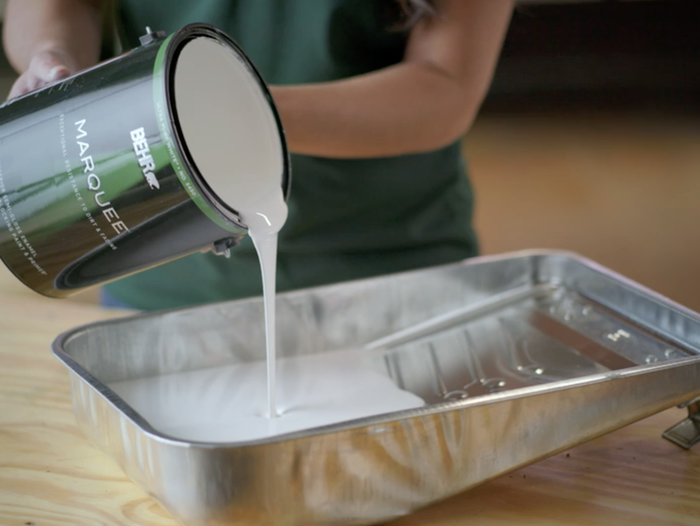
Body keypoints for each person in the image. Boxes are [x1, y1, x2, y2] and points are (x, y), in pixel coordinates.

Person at [3, 0, 514, 311]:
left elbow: (445, 84)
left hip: (387, 268)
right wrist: (53, 57)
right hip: (161, 278)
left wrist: (225, 104)